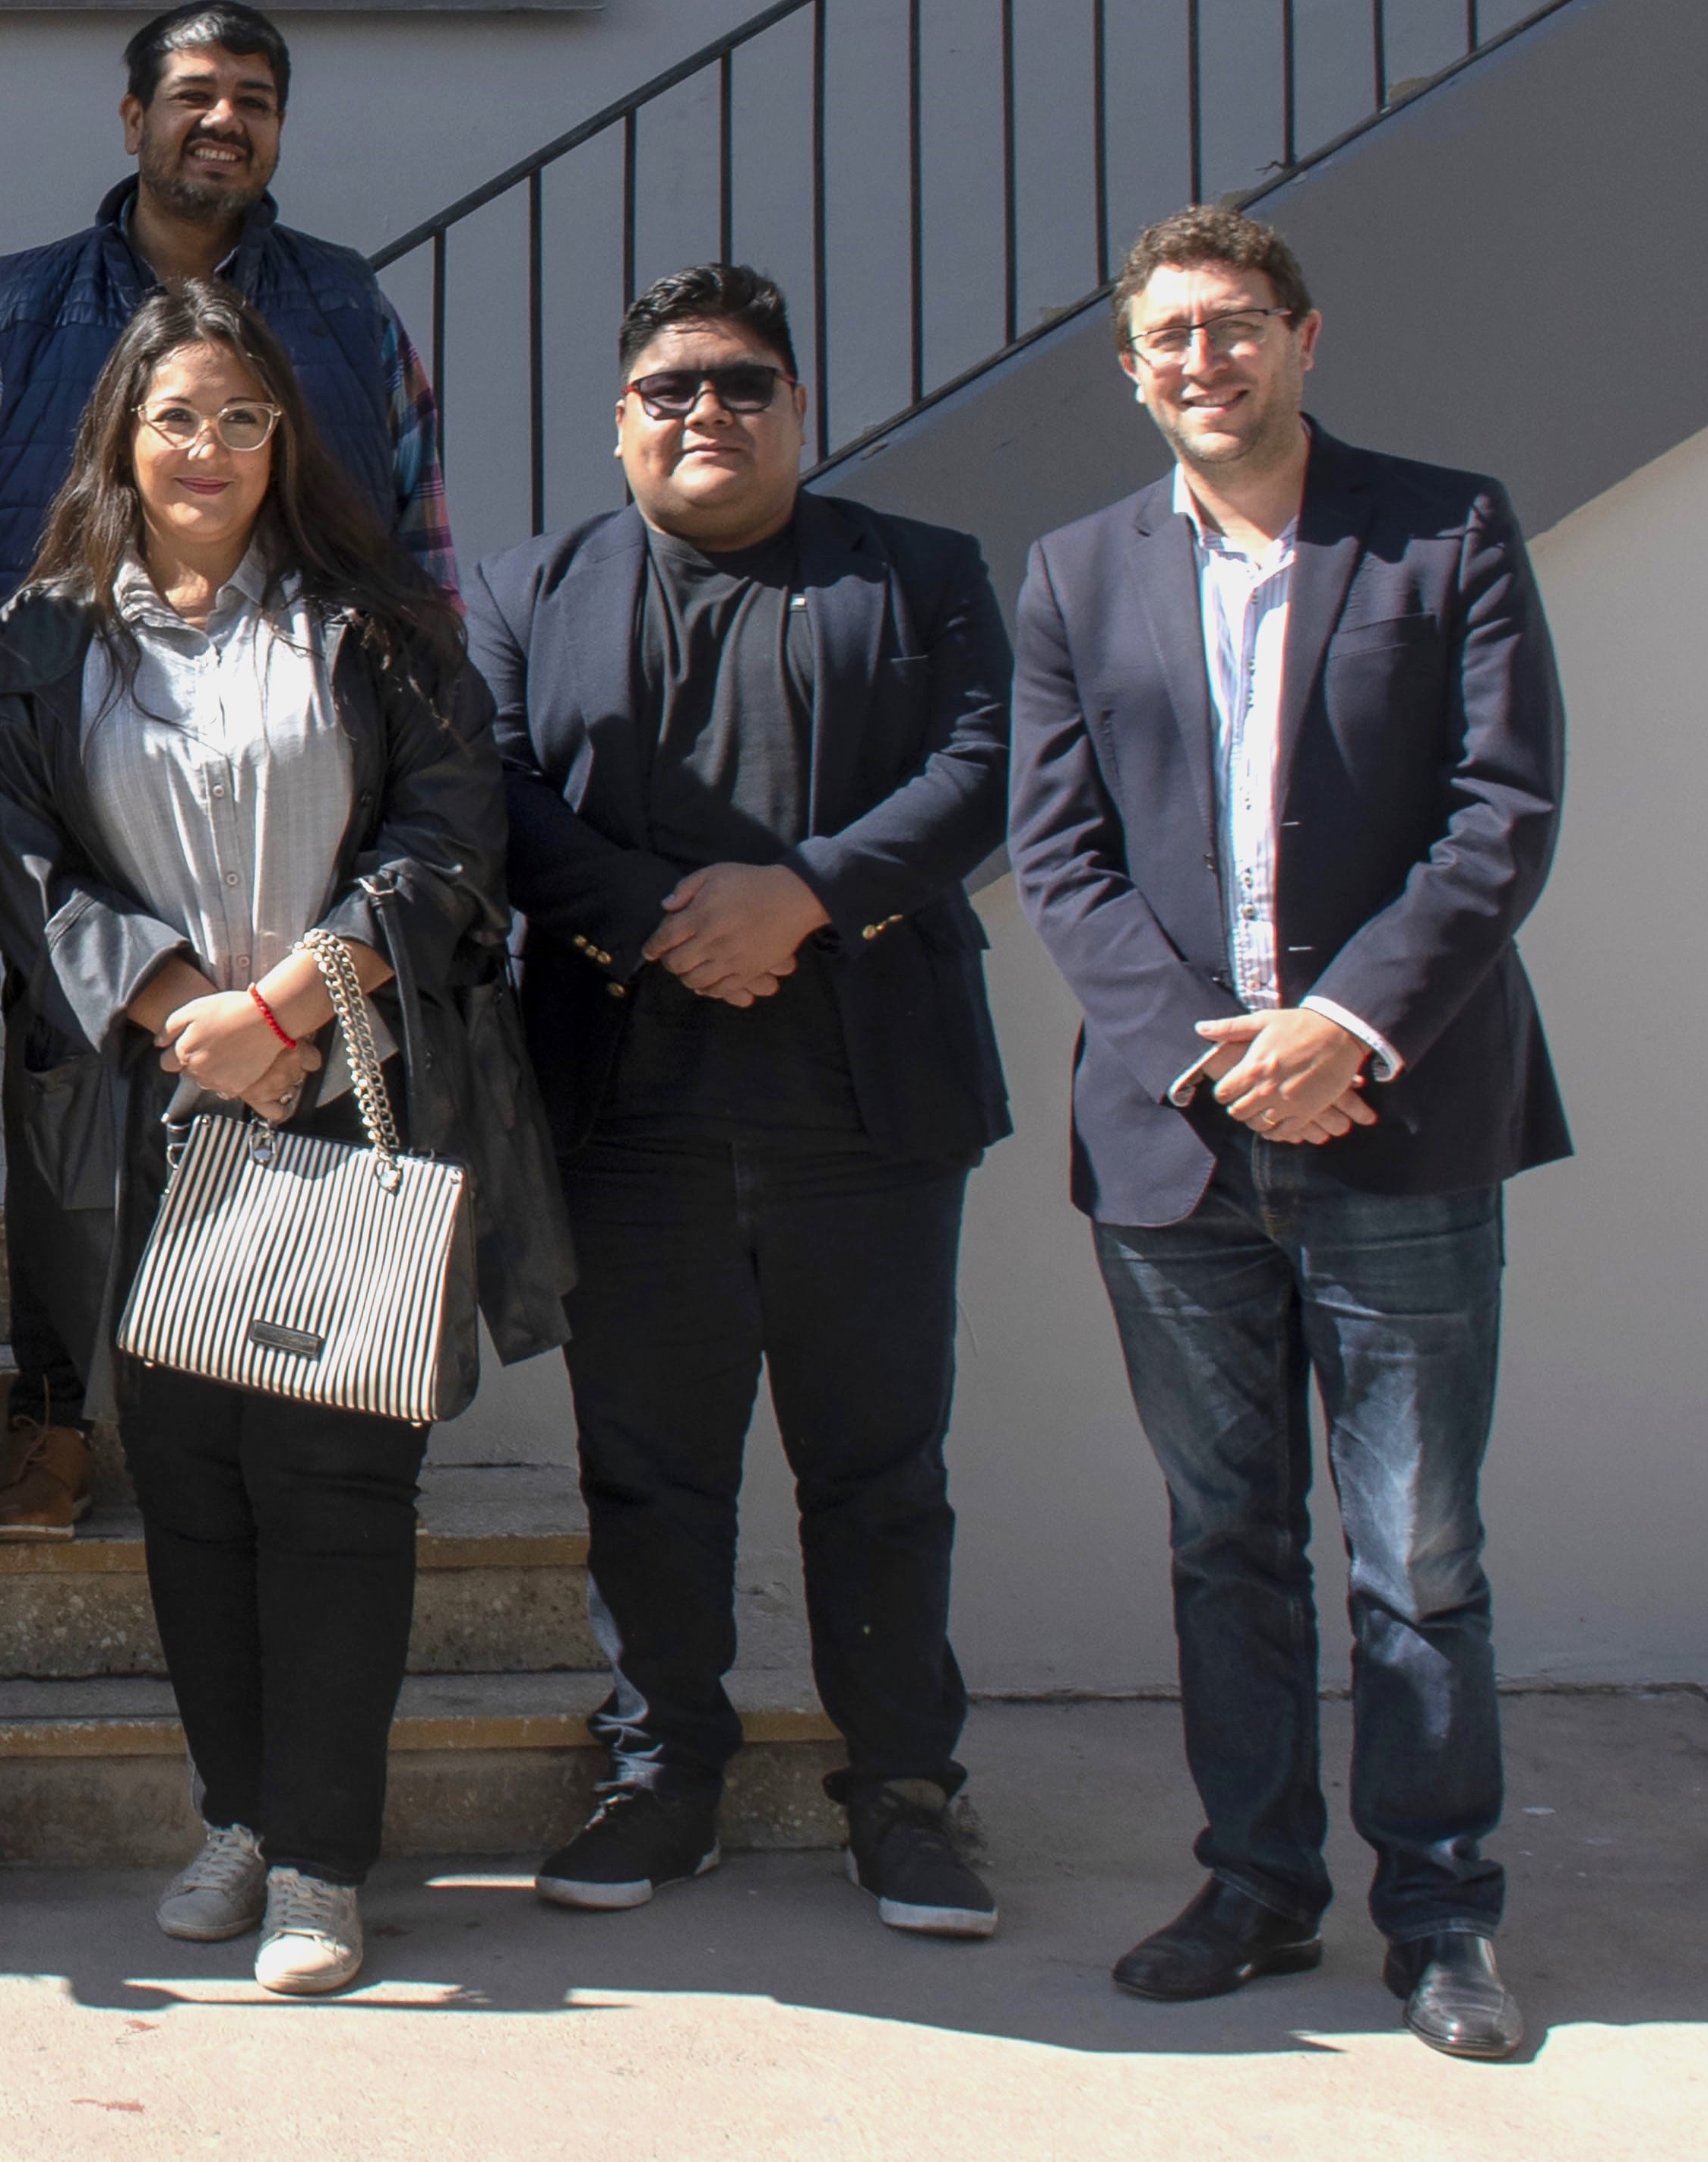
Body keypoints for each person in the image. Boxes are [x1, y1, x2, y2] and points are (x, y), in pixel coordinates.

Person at [1007, 205, 1567, 2060]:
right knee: (1224, 1538)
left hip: (1395, 1116)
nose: (1201, 362)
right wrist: (1208, 1055)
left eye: (1233, 327)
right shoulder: (1076, 574)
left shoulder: (1445, 529)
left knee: (1416, 1553)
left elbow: (1501, 811)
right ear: (1131, 370)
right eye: (1166, 338)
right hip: (1177, 1148)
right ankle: (1254, 1885)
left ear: (1302, 338)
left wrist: (1341, 1028)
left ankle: (1442, 1917)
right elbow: (1061, 855)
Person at [0, 280, 559, 1995]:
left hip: (342, 1088)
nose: (205, 448)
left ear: (281, 440)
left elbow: (451, 842)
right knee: (190, 1487)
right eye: (173, 419)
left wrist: (289, 1003)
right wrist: (177, 1016)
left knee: (334, 1488)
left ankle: (323, 1857)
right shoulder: (44, 637)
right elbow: (24, 871)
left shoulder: (372, 627)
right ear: (119, 443)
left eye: (237, 417)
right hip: (149, 1116)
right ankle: (236, 1807)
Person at [463, 264, 1012, 1940]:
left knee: (878, 1471)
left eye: (743, 383)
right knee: (648, 1471)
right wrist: (655, 916)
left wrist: (807, 897)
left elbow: (986, 759)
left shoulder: (917, 574)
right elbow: (487, 788)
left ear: (798, 408)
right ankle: (661, 1771)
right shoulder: (527, 586)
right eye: (671, 389)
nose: (708, 410)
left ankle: (904, 1787)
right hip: (631, 1113)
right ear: (620, 422)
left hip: (869, 1112)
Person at [0, 0, 456, 1546]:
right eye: (196, 95)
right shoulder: (21, 312)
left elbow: (421, 551)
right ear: (132, 115)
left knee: (303, 1092)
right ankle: (55, 1414)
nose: (225, 122)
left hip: (303, 759)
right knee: (75, 1129)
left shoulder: (347, 313)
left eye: (257, 100)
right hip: (76, 773)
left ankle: (294, 1391)